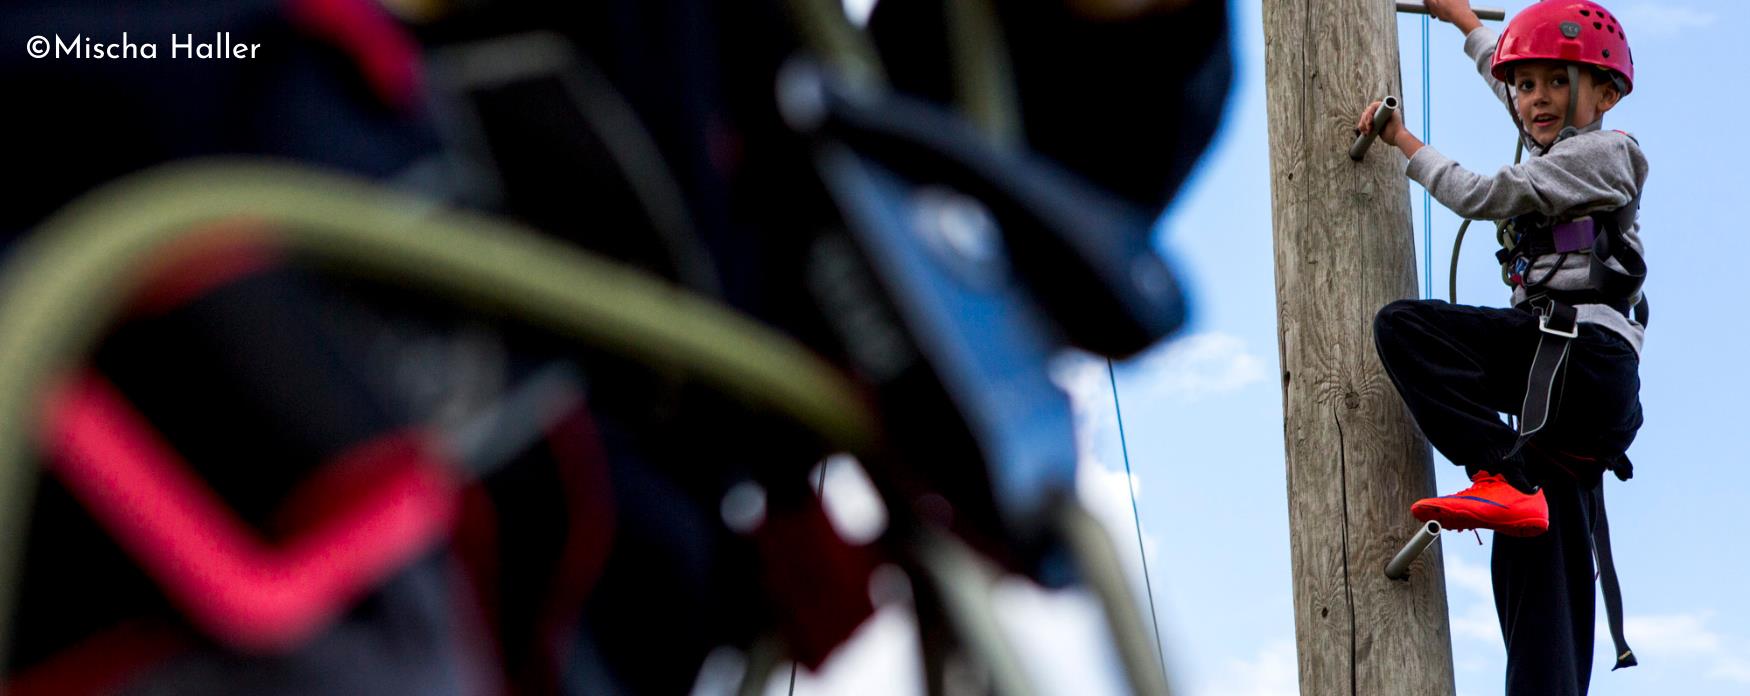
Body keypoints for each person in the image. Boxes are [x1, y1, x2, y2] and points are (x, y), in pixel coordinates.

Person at [1356, 1, 1646, 694]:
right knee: (1538, 575)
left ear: (1605, 93)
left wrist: (1401, 140)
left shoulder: (1604, 154)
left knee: (1406, 330)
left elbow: (1481, 193)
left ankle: (1501, 475)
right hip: (1574, 393)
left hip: (1579, 361)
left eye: (1554, 82)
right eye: (1526, 85)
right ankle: (1516, 487)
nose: (1534, 99)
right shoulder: (1561, 138)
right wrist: (1466, 26)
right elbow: (1515, 88)